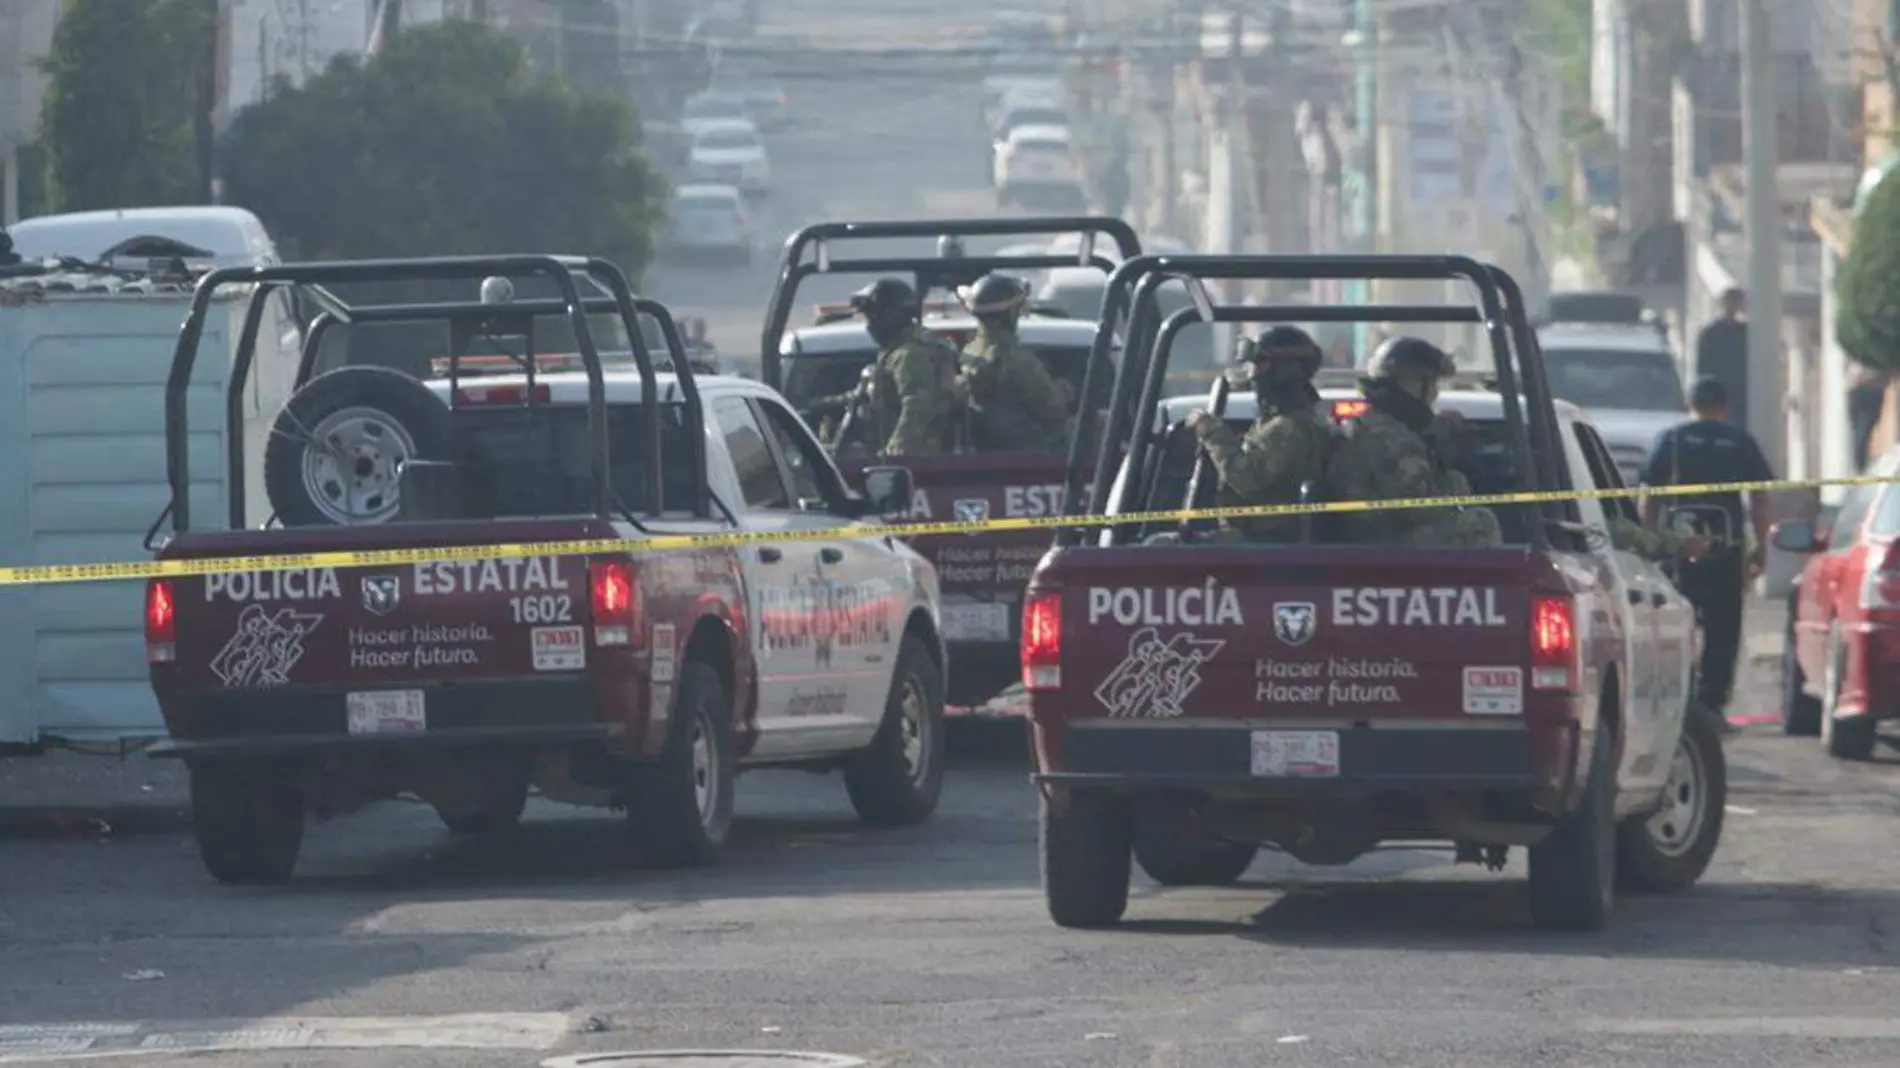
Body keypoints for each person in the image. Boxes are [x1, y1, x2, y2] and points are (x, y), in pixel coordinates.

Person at [1640, 376, 1776, 732]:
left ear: (1690, 403)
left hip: (1678, 551)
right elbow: (1759, 499)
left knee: (1673, 625)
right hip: (1725, 549)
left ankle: (1675, 701)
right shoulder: (1739, 442)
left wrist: (1648, 542)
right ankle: (1712, 705)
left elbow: (1649, 496)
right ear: (1726, 406)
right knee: (1723, 628)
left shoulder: (1670, 441)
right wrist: (1762, 546)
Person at [1326, 335, 1502, 548]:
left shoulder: (1375, 423)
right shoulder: (1388, 437)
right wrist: (1456, 478)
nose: (1435, 392)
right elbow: (1424, 507)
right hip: (1383, 548)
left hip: (1373, 540)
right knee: (1480, 522)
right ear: (1412, 383)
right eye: (1432, 382)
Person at [1183, 325, 1338, 543]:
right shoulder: (1285, 422)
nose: (1252, 374)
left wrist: (1211, 431)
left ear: (1285, 369)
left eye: (1259, 364)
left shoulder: (1289, 427)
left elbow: (1247, 477)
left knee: (1158, 548)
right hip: (1266, 543)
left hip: (1268, 545)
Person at [808, 278, 964, 457]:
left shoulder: (908, 355)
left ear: (890, 316)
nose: (870, 325)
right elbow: (860, 398)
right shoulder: (896, 354)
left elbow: (917, 404)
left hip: (915, 462)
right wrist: (814, 406)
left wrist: (898, 445)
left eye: (873, 317)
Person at [956, 273, 1070, 451]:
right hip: (1029, 448)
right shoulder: (1015, 360)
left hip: (989, 446)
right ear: (1011, 314)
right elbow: (1053, 409)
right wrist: (1066, 389)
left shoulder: (970, 352)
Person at [1694, 287, 1749, 430]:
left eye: (1737, 302)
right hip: (1716, 397)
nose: (1734, 306)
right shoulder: (1711, 334)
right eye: (1731, 302)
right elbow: (1702, 368)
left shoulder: (1747, 334)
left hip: (1742, 398)